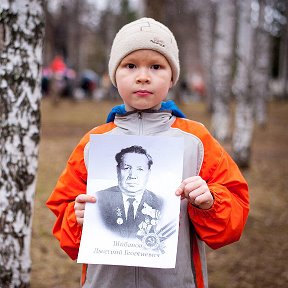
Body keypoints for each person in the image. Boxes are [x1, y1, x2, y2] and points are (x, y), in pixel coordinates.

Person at [46, 17, 249, 288]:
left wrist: (210, 202)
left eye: (156, 66)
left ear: (172, 77)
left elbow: (232, 218)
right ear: (114, 76)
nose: (143, 75)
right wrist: (76, 216)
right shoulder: (94, 143)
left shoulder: (196, 140)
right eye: (130, 65)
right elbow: (64, 219)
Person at [96, 145, 163, 238]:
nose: (133, 175)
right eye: (127, 168)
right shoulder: (98, 200)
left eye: (140, 169)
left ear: (149, 172)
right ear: (118, 170)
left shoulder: (161, 203)